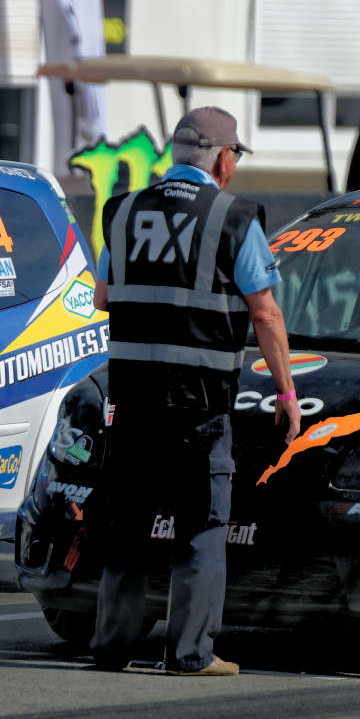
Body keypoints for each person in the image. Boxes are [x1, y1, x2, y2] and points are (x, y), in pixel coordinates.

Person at [90, 106, 300, 675]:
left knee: (127, 525)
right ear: (224, 160)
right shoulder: (235, 218)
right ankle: (190, 654)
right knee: (202, 526)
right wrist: (285, 395)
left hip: (131, 402)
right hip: (199, 406)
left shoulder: (124, 211)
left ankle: (111, 647)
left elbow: (103, 298)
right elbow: (267, 313)